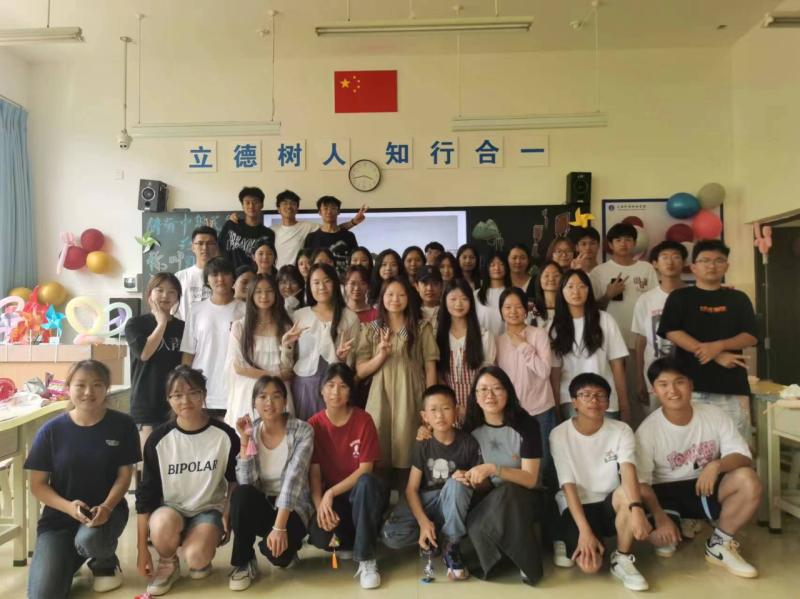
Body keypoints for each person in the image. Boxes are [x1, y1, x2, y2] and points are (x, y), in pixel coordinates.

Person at [637, 357, 762, 578]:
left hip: (703, 486)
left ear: (691, 384)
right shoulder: (647, 431)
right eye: (663, 384)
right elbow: (641, 484)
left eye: (679, 382)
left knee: (748, 479)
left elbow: (744, 456)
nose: (673, 390)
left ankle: (719, 544)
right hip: (665, 493)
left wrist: (717, 464)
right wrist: (659, 517)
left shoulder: (714, 415)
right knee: (664, 545)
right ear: (654, 390)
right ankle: (678, 521)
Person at [25, 361, 140, 598]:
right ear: (68, 388)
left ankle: (104, 562)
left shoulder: (123, 425)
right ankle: (68, 557)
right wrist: (69, 507)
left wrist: (107, 507)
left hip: (106, 514)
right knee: (43, 595)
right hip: (59, 518)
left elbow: (124, 476)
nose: (89, 392)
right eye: (80, 385)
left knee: (88, 540)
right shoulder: (51, 431)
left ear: (106, 388)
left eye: (97, 385)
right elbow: (37, 485)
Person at [136, 367, 240, 596]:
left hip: (208, 509)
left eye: (193, 393)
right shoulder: (158, 440)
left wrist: (227, 512)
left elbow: (235, 480)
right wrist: (142, 549)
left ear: (204, 395)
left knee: (196, 560)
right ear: (168, 399)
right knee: (161, 524)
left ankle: (198, 546)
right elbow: (145, 496)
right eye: (177, 395)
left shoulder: (225, 435)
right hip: (170, 510)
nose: (185, 401)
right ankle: (168, 561)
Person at [550, 373, 651, 591]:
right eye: (586, 395)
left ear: (607, 402)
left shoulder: (621, 430)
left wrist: (637, 509)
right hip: (578, 506)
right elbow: (568, 485)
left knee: (626, 493)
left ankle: (622, 557)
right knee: (590, 566)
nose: (594, 400)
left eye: (600, 395)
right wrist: (585, 531)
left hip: (609, 501)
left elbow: (628, 470)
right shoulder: (559, 434)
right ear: (574, 402)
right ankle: (569, 538)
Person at [657, 240, 757, 440]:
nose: (712, 266)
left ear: (726, 266)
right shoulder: (680, 297)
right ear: (694, 267)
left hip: (732, 387)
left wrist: (719, 346)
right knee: (693, 447)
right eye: (705, 261)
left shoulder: (738, 298)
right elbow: (671, 331)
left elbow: (751, 336)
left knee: (736, 445)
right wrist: (715, 355)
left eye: (719, 261)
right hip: (690, 387)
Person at [382, 385, 482, 581]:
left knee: (456, 483)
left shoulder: (468, 442)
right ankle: (433, 535)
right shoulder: (423, 444)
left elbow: (480, 484)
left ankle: (451, 545)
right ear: (424, 416)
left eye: (446, 408)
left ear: (456, 411)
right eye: (433, 410)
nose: (440, 415)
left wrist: (468, 477)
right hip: (427, 501)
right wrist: (423, 522)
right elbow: (411, 489)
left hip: (453, 501)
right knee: (391, 537)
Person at [227, 376, 314, 591]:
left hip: (293, 508)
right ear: (254, 402)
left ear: (285, 401)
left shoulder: (302, 430)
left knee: (278, 557)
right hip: (264, 503)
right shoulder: (252, 431)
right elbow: (247, 484)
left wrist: (279, 528)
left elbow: (293, 480)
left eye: (276, 396)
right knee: (241, 494)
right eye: (262, 397)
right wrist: (244, 440)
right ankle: (244, 561)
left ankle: (284, 547)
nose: (269, 403)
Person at [308, 364, 387, 590]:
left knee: (366, 483)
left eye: (343, 386)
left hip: (364, 495)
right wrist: (320, 508)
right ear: (321, 389)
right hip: (337, 501)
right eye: (330, 385)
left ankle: (366, 559)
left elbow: (365, 469)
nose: (336, 392)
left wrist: (330, 493)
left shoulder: (363, 420)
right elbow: (314, 475)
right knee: (320, 535)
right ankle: (350, 541)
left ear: (350, 391)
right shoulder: (314, 424)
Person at [462, 366, 543, 584]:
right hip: (489, 498)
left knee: (510, 492)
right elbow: (482, 484)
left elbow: (530, 479)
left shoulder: (527, 425)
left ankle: (526, 564)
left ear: (508, 392)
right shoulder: (470, 428)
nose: (489, 395)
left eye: (497, 388)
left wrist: (494, 468)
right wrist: (469, 477)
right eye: (483, 389)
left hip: (524, 496)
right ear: (475, 396)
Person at [356, 276, 439, 477]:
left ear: (409, 298)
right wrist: (381, 356)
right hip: (379, 396)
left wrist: (430, 406)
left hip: (411, 394)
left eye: (401, 295)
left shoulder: (421, 328)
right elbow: (361, 371)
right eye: (390, 294)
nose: (395, 299)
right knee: (378, 451)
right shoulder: (371, 329)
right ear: (382, 298)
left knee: (409, 448)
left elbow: (430, 369)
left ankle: (408, 492)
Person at [590, 222, 658, 424]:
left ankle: (641, 434)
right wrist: (608, 295)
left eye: (628, 239)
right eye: (618, 240)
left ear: (635, 243)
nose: (623, 244)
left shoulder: (646, 269)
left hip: (640, 341)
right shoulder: (599, 272)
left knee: (641, 394)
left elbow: (655, 304)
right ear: (610, 244)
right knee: (615, 394)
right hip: (609, 343)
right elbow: (590, 310)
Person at [549, 269, 630, 422]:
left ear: (589, 290)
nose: (576, 291)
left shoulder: (605, 320)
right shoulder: (554, 327)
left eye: (581, 286)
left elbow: (617, 365)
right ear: (562, 291)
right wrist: (557, 408)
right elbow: (555, 373)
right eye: (570, 287)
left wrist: (624, 405)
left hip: (604, 398)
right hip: (571, 400)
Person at [224, 274, 298, 428]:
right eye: (258, 291)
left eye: (269, 291)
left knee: (279, 435)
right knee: (248, 437)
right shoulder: (240, 327)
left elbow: (287, 369)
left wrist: (287, 346)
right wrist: (275, 376)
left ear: (276, 294)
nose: (264, 296)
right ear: (251, 294)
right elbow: (239, 367)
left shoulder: (285, 326)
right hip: (249, 393)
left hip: (278, 393)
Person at [497, 287, 554, 482]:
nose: (513, 311)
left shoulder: (539, 335)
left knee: (543, 465)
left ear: (526, 309)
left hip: (540, 410)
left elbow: (544, 372)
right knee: (516, 464)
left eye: (518, 306)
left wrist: (523, 346)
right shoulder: (498, 341)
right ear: (501, 311)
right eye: (507, 307)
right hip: (512, 412)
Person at [291, 263, 360, 420]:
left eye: (327, 281)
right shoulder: (299, 316)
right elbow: (290, 359)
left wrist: (342, 359)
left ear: (335, 283)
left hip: (336, 391)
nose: (321, 287)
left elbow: (352, 363)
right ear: (309, 286)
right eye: (316, 282)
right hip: (305, 388)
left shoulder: (349, 317)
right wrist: (286, 345)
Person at [126, 272, 185, 454]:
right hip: (146, 403)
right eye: (160, 290)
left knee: (173, 460)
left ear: (177, 297)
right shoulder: (135, 324)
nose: (165, 296)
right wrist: (161, 324)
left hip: (176, 403)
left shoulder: (183, 328)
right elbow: (144, 353)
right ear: (150, 293)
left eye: (172, 292)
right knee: (149, 460)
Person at [180, 257, 245, 419]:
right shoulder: (196, 310)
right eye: (214, 275)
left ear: (233, 278)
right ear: (207, 280)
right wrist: (185, 384)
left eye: (225, 274)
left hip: (236, 387)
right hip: (202, 388)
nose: (220, 279)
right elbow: (188, 352)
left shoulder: (246, 310)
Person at [631, 240, 686, 414]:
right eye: (664, 257)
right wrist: (639, 378)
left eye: (676, 257)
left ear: (684, 262)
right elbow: (641, 340)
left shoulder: (693, 296)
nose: (670, 262)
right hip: (654, 375)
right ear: (655, 264)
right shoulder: (646, 300)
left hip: (686, 375)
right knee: (654, 421)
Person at [436, 279, 496, 426]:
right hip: (447, 410)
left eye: (464, 299)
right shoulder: (437, 335)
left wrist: (471, 407)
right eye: (453, 299)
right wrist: (453, 405)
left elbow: (487, 376)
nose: (458, 304)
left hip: (478, 407)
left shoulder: (484, 335)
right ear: (444, 301)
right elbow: (438, 376)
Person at [272, 190, 365, 268]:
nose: (289, 206)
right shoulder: (272, 231)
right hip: (279, 275)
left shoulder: (307, 227)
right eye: (285, 203)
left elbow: (330, 229)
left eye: (292, 203)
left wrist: (353, 222)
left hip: (300, 276)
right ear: (278, 209)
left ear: (297, 208)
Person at [218, 187, 275, 270]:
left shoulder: (268, 234)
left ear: (261, 205)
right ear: (242, 205)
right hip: (231, 275)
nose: (251, 206)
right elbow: (218, 249)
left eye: (255, 202)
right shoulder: (231, 226)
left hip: (255, 276)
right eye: (247, 202)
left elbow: (268, 260)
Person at [304, 195, 358, 278]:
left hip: (343, 282)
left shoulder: (349, 236)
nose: (329, 211)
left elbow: (355, 261)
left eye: (333, 208)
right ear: (319, 212)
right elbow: (307, 263)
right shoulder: (311, 237)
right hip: (319, 281)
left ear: (338, 211)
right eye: (325, 208)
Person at [175, 226, 218, 321]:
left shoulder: (223, 277)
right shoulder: (180, 277)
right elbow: (173, 309)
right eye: (200, 243)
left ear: (216, 247)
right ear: (193, 247)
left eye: (209, 243)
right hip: (185, 328)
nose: (205, 247)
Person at [475, 250, 511, 337]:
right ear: (486, 268)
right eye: (492, 265)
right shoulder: (476, 295)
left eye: (501, 264)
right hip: (483, 342)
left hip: (509, 343)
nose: (497, 268)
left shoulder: (514, 293)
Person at [530, 261, 561, 328]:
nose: (551, 279)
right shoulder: (531, 308)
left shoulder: (568, 308)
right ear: (539, 279)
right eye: (546, 275)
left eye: (556, 275)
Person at [416, 264, 443, 329]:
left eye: (435, 283)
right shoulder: (412, 312)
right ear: (417, 286)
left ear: (441, 286)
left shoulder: (448, 311)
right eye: (425, 283)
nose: (429, 288)